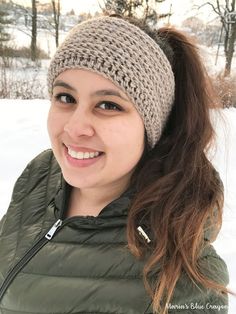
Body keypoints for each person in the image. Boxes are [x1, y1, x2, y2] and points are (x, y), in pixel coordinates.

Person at [0, 14, 231, 314]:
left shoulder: (186, 281)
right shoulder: (40, 177)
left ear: (152, 126)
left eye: (108, 105)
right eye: (65, 97)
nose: (74, 127)